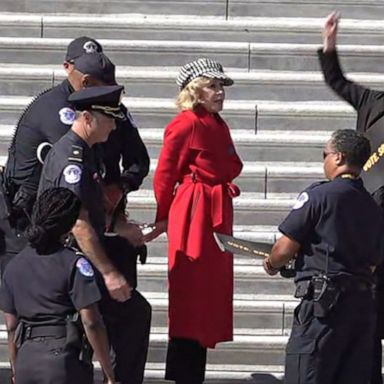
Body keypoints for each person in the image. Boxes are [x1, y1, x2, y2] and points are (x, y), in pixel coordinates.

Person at [1, 36, 149, 273]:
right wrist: (112, 220)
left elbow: (138, 160)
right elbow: (75, 179)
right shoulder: (57, 112)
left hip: (94, 223)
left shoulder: (110, 109)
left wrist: (121, 188)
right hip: (36, 225)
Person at [38, 85, 151, 384]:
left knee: (134, 313)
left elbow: (91, 213)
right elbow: (78, 224)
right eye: (109, 118)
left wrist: (121, 229)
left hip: (78, 262)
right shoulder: (72, 160)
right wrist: (110, 274)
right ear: (88, 118)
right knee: (128, 315)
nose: (115, 126)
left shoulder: (86, 153)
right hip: (66, 267)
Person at [144, 58, 243, 384]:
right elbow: (165, 175)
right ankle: (182, 375)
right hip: (194, 211)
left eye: (220, 86)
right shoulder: (185, 123)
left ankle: (192, 371)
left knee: (208, 296)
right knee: (191, 293)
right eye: (212, 86)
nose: (219, 92)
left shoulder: (216, 123)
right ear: (194, 90)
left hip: (213, 209)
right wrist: (164, 216)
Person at [263, 129, 384, 384]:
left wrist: (271, 263)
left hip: (323, 309)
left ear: (338, 157)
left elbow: (284, 248)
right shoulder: (373, 207)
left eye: (325, 155)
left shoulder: (319, 196)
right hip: (361, 309)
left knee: (306, 374)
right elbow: (374, 263)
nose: (324, 161)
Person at [319, 13, 384, 383]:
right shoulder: (373, 102)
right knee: (370, 316)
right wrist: (330, 44)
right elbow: (336, 81)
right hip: (368, 219)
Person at [0, 187, 115, 384]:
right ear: (69, 224)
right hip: (64, 362)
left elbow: (11, 326)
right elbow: (91, 322)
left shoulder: (13, 266)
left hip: (27, 362)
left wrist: (16, 368)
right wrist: (109, 373)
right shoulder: (74, 263)